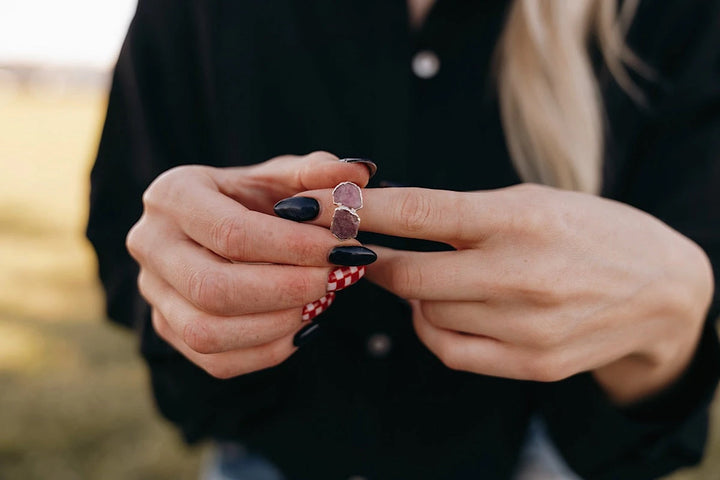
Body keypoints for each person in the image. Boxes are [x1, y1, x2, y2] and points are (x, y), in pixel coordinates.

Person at [86, 0, 720, 479]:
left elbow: (686, 321)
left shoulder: (673, 17)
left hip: (539, 457)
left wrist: (671, 319)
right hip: (272, 455)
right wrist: (189, 277)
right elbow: (123, 235)